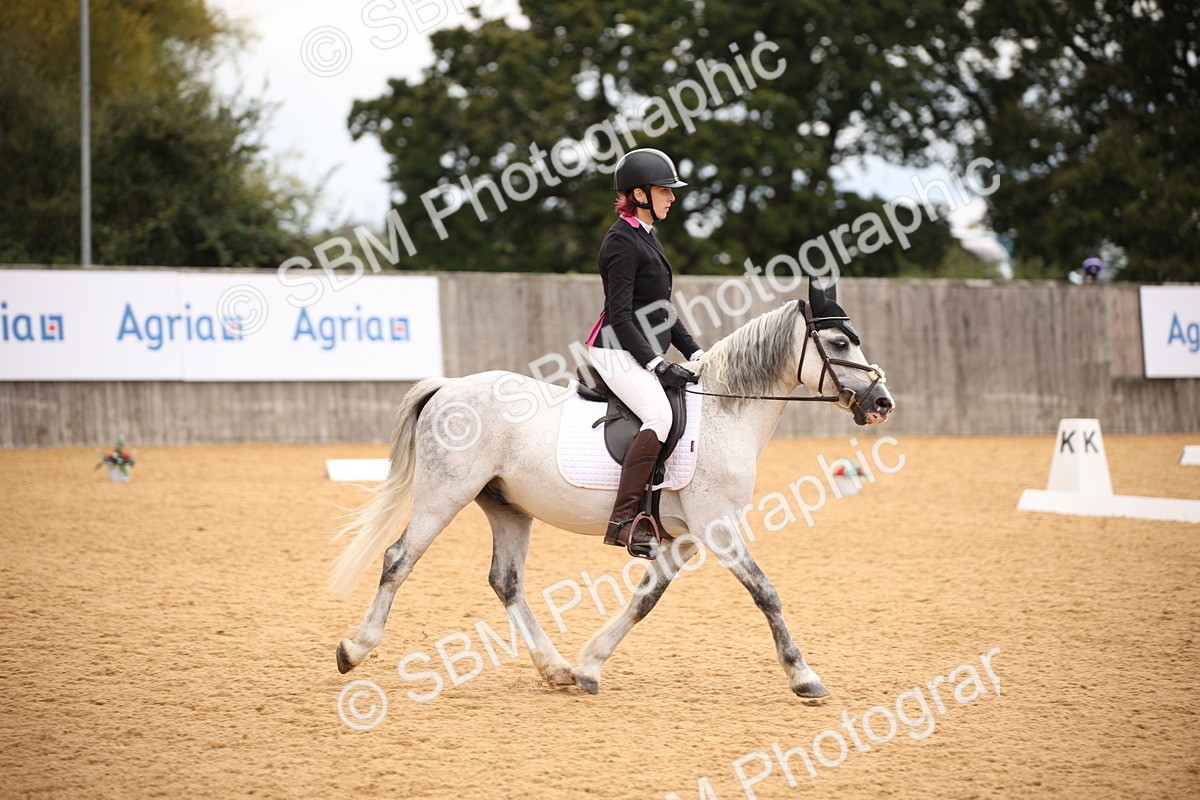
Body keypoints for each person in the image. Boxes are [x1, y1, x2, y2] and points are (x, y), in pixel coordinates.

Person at [586, 148, 704, 558]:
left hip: (640, 346)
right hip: (615, 349)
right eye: (664, 190)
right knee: (659, 415)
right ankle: (623, 522)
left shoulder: (647, 235)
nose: (672, 197)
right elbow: (620, 315)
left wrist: (697, 354)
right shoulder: (621, 241)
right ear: (639, 194)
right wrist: (656, 364)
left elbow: (662, 310)